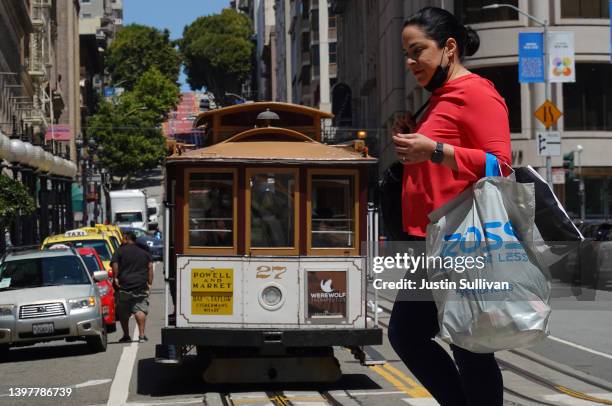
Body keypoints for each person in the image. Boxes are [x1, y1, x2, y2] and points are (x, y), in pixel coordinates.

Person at [389, 7, 511, 406]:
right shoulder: (439, 99)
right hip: (430, 241)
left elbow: (501, 164)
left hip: (462, 240)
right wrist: (415, 137)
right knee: (410, 335)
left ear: (449, 48)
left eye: (417, 51)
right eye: (406, 53)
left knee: (469, 344)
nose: (410, 63)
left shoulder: (476, 92)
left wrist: (434, 149)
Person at [112, 231, 153, 343]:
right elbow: (150, 267)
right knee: (140, 310)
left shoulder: (119, 251)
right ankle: (142, 335)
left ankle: (126, 335)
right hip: (140, 286)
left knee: (123, 312)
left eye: (122, 238)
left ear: (126, 238)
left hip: (123, 286)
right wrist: (149, 283)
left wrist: (115, 277)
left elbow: (115, 264)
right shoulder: (144, 252)